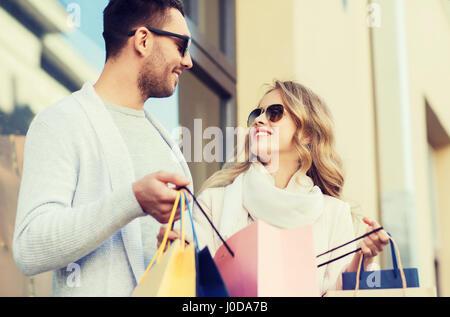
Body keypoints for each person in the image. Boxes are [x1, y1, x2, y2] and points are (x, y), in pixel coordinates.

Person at [13, 0, 193, 296]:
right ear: (143, 40)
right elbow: (29, 246)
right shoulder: (61, 123)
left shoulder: (167, 144)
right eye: (181, 45)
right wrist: (133, 199)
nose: (188, 61)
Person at [158, 80, 390, 296]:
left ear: (307, 133)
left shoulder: (333, 213)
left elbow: (338, 292)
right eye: (256, 114)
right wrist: (176, 246)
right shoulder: (214, 201)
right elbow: (193, 279)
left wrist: (363, 256)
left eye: (274, 113)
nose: (260, 120)